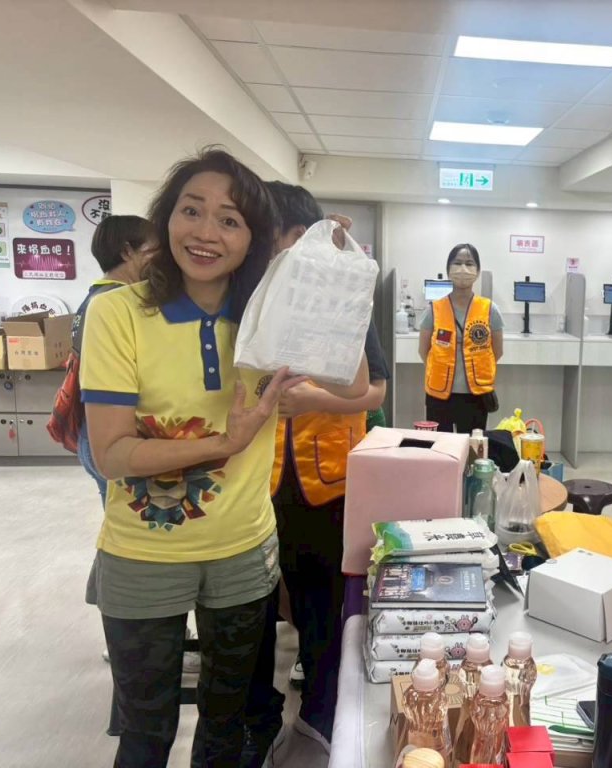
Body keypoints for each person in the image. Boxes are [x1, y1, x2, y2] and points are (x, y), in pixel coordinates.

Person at [81, 148, 369, 767]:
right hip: (143, 555)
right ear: (167, 218)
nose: (206, 232)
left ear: (254, 239)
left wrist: (328, 280)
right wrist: (226, 443)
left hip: (241, 552)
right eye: (192, 210)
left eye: (230, 220)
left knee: (225, 726)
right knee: (146, 733)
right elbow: (112, 453)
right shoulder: (118, 312)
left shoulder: (265, 317)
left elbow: (352, 384)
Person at [243, 181, 391, 765]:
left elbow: (374, 390)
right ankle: (261, 717)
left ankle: (322, 713)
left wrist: (312, 401)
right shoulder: (249, 295)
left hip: (326, 482)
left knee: (321, 605)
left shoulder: (343, 298)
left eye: (274, 236)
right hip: (255, 480)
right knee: (259, 605)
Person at [74, 215, 157, 503]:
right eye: (154, 250)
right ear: (127, 252)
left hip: (92, 432)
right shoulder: (116, 305)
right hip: (113, 436)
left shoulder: (94, 296)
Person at [418, 243, 503, 432]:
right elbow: (424, 351)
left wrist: (476, 368)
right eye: (457, 263)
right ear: (448, 270)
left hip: (476, 394)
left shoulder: (490, 309)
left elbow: (497, 351)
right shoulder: (434, 309)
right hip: (439, 394)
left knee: (472, 446)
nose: (463, 269)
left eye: (469, 263)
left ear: (478, 272)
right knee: (441, 445)